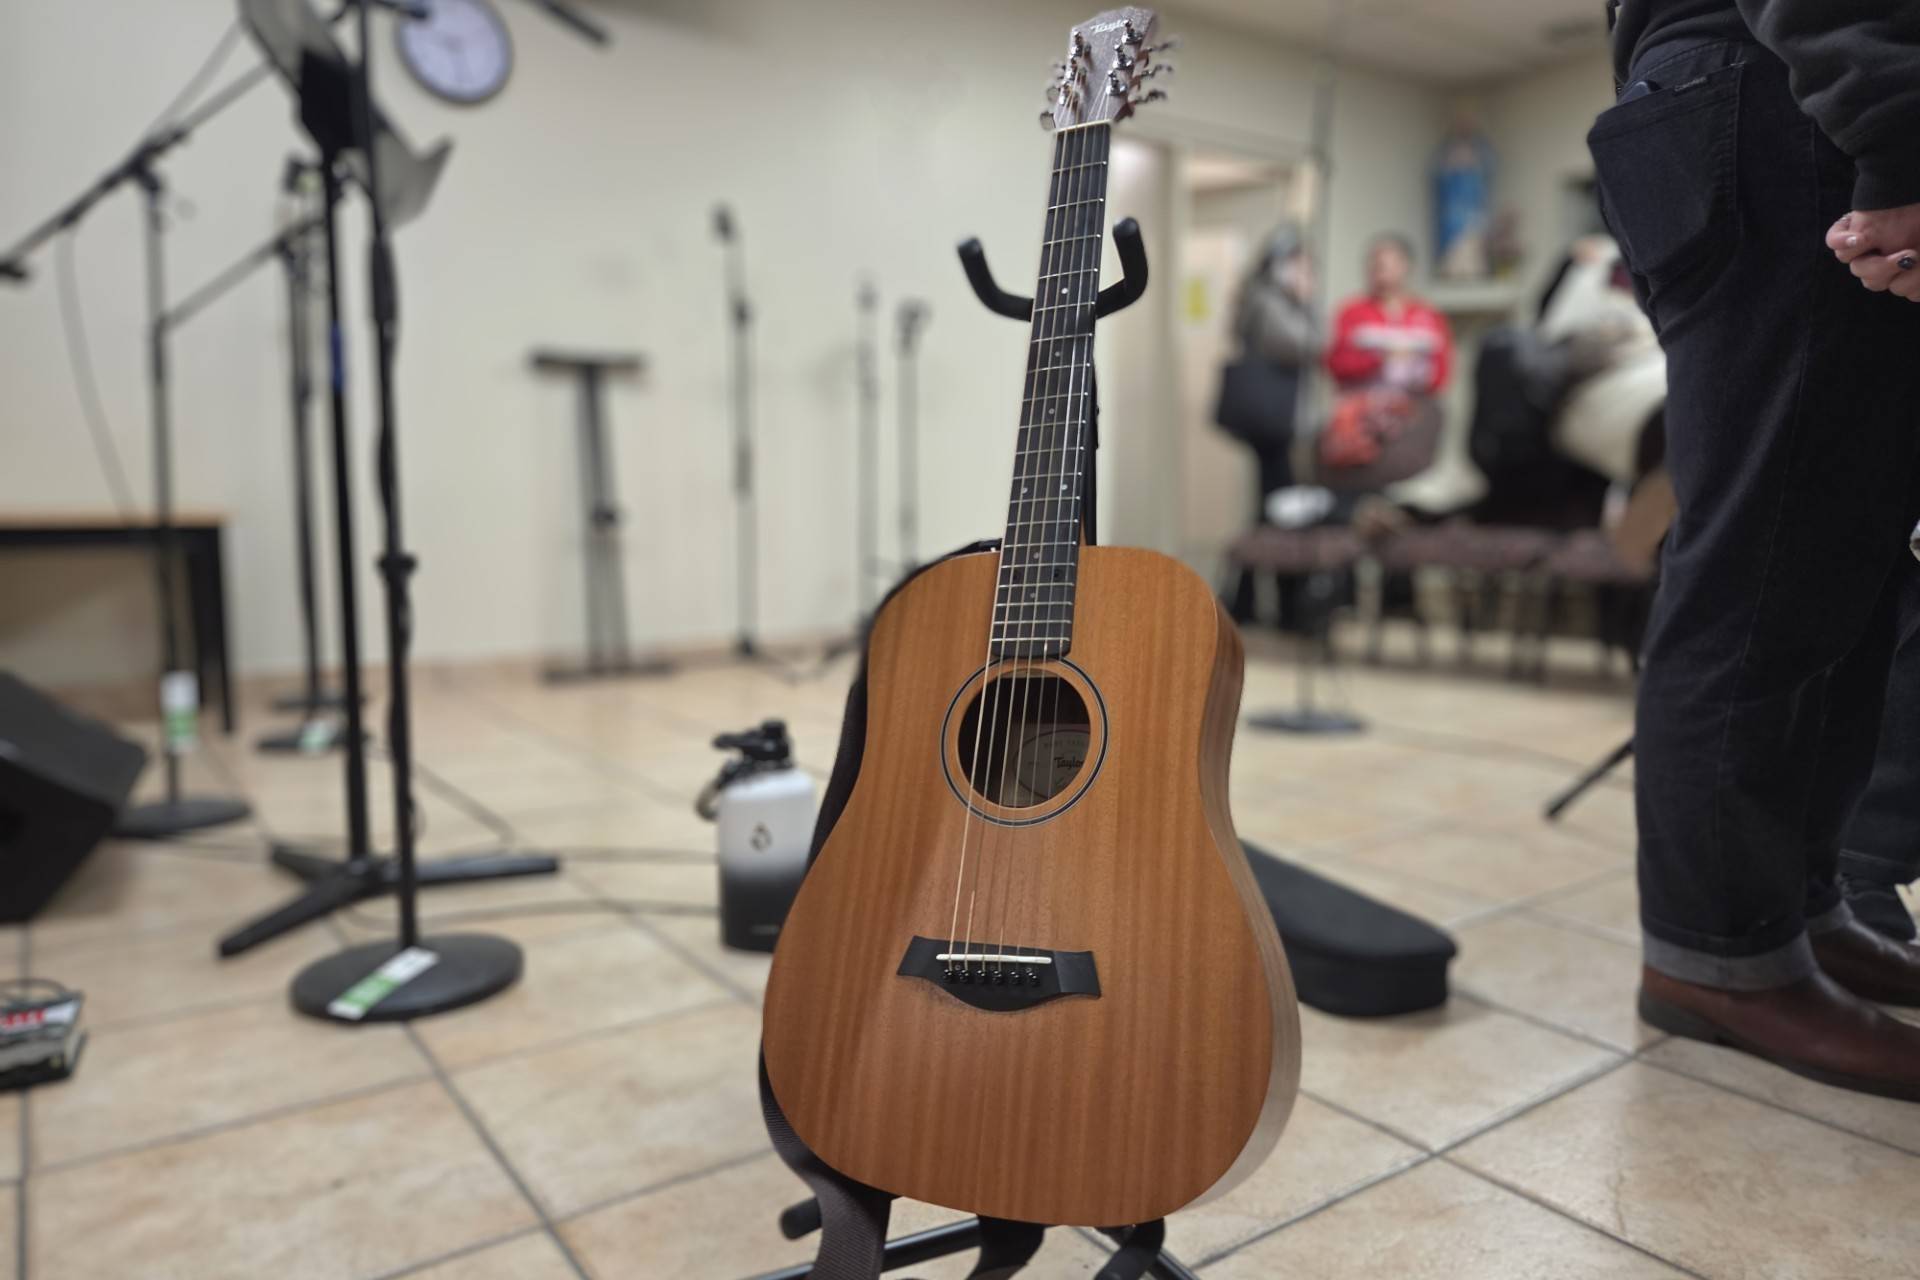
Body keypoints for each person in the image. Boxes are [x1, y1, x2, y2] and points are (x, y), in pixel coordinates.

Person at [1596, 0, 1920, 1100]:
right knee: (1765, 552)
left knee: (1850, 558)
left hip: (1764, 87)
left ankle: (1796, 908)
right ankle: (1713, 954)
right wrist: (1895, 119)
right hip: (1779, 82)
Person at [1221, 226, 1320, 624]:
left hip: (1275, 423)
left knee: (1270, 509)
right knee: (1279, 510)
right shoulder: (1266, 300)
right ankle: (1268, 604)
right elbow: (1306, 344)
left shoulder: (1262, 299)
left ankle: (1248, 600)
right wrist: (1304, 301)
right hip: (1271, 424)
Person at [1325, 233, 1452, 398]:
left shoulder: (1428, 314)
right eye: (1375, 264)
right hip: (1363, 407)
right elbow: (1337, 364)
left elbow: (1441, 371)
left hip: (1414, 407)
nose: (1381, 271)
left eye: (1388, 264)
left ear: (1406, 266)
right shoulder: (1351, 313)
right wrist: (1381, 359)